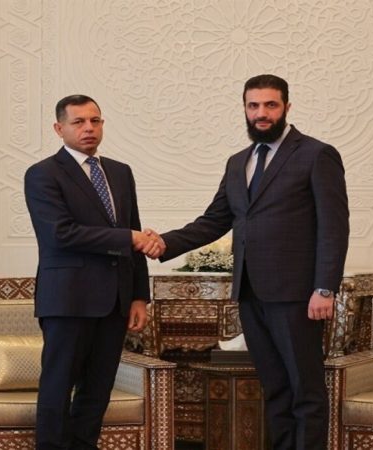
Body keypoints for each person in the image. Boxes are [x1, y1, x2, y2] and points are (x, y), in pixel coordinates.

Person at [152, 74, 349, 450]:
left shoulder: (316, 154)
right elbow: (214, 221)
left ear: (286, 107)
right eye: (253, 105)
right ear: (244, 108)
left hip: (298, 296)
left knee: (305, 390)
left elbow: (334, 227)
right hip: (250, 293)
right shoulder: (237, 162)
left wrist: (325, 288)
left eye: (270, 105)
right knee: (274, 388)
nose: (261, 113)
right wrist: (163, 243)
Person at [24, 94, 162, 450]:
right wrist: (128, 237)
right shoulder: (42, 174)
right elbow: (61, 233)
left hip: (115, 301)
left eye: (95, 121)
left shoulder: (119, 172)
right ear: (59, 129)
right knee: (57, 388)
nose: (89, 128)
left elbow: (134, 231)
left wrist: (139, 296)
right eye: (79, 122)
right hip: (68, 299)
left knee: (97, 391)